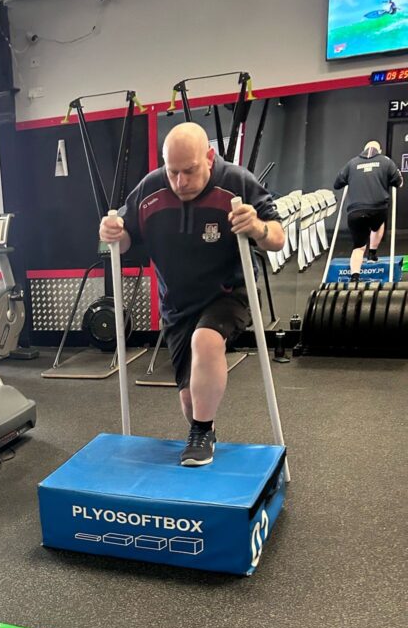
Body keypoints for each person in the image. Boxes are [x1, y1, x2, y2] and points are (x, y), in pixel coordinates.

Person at [99, 122, 284, 466]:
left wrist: (256, 226)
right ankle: (204, 429)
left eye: (190, 171)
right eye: (173, 172)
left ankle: (199, 432)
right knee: (190, 399)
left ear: (210, 157)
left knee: (207, 340)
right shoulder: (151, 189)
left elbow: (277, 236)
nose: (180, 182)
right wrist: (113, 231)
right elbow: (124, 241)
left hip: (229, 293)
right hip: (178, 304)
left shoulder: (236, 182)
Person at [333, 140, 402, 285]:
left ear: (364, 149)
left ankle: (354, 277)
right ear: (380, 150)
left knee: (358, 246)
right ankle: (372, 253)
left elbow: (337, 184)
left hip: (355, 210)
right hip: (378, 209)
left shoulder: (352, 163)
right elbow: (398, 182)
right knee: (378, 225)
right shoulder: (386, 161)